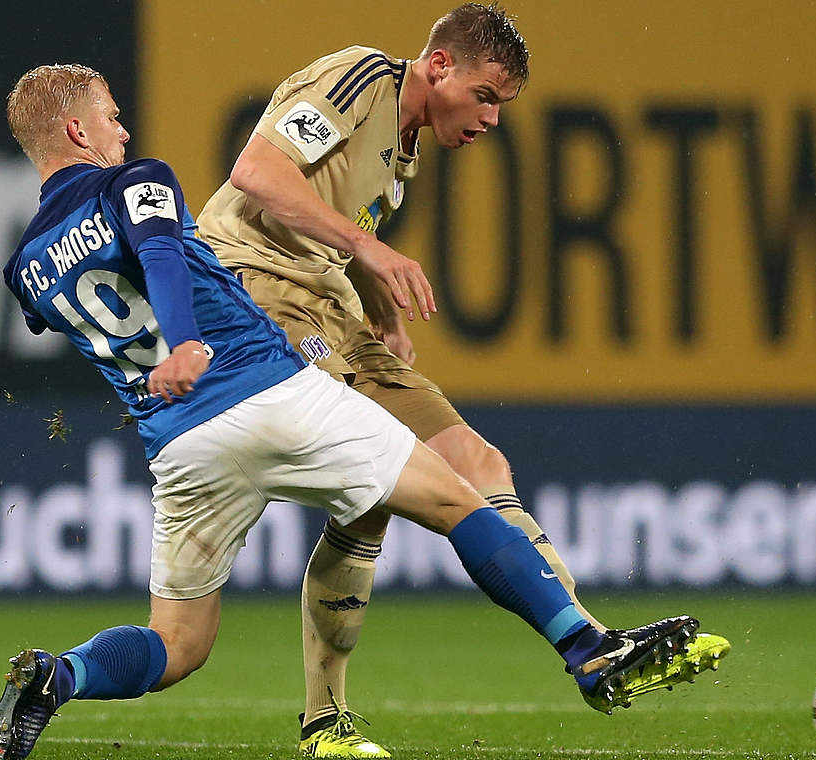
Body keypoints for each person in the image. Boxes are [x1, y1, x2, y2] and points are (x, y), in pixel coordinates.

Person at [0, 63, 722, 760]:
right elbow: (164, 256)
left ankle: (60, 676)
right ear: (78, 132)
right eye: (111, 118)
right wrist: (187, 343)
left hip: (178, 444)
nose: (125, 132)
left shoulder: (24, 264)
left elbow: (63, 312)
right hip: (263, 390)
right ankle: (588, 652)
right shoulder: (136, 183)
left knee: (177, 644)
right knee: (455, 499)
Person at [195, 4, 730, 755]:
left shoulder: (403, 149)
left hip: (332, 310)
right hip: (253, 294)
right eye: (485, 96)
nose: (492, 119)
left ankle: (588, 640)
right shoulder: (360, 77)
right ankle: (574, 648)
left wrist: (382, 310)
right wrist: (367, 251)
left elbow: (337, 226)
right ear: (440, 66)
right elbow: (255, 173)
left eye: (502, 106)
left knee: (475, 465)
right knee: (375, 480)